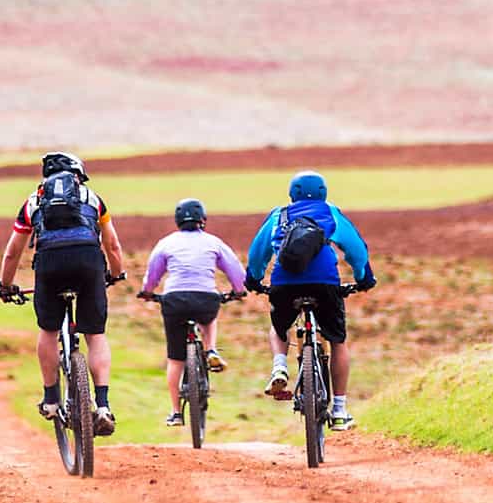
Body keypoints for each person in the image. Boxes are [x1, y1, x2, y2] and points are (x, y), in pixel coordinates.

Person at [0, 151, 126, 435]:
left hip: (50, 264)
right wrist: (116, 274)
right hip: (88, 262)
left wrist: (5, 286)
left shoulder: (33, 201)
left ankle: (51, 399)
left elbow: (13, 251)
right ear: (78, 174)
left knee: (49, 330)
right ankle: (102, 405)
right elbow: (112, 245)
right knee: (95, 334)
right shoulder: (93, 198)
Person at [245, 170, 377, 430]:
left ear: (291, 194)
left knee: (279, 327)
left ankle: (279, 367)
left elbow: (257, 253)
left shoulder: (278, 215)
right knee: (337, 341)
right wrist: (364, 278)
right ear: (324, 192)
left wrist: (254, 279)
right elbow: (356, 250)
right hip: (325, 282)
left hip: (284, 283)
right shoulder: (331, 213)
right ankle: (339, 410)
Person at [137, 197, 247, 427]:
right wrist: (238, 291)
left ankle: (176, 412)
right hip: (206, 298)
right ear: (203, 220)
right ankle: (211, 350)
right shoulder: (213, 242)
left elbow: (153, 273)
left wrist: (147, 291)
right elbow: (234, 268)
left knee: (175, 360)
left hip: (174, 299)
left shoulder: (166, 243)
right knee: (209, 317)